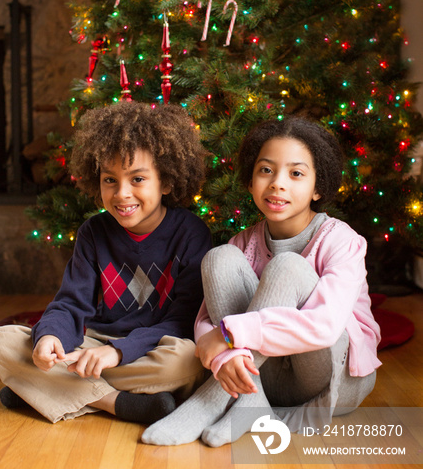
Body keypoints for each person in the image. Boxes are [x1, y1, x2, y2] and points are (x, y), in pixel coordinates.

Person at [141, 116, 381, 447]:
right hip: (261, 378)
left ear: (318, 187)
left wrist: (230, 335)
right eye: (266, 170)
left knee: (288, 267)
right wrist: (224, 354)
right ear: (251, 181)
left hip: (328, 379)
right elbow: (206, 319)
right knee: (218, 258)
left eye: (296, 173)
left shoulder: (341, 241)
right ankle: (250, 404)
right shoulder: (244, 243)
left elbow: (325, 326)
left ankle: (210, 399)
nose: (277, 183)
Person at [0, 101, 212, 425]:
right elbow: (70, 304)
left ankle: (40, 388)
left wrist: (118, 353)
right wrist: (50, 337)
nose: (121, 194)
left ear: (167, 181)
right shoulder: (93, 233)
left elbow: (182, 320)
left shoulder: (191, 234)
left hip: (150, 348)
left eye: (137, 179)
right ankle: (114, 403)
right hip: (91, 343)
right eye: (110, 180)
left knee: (187, 361)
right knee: (0, 342)